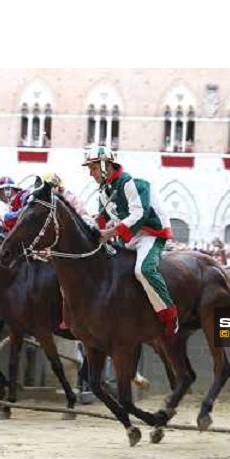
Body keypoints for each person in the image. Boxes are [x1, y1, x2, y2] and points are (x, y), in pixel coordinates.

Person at [84, 144, 178, 337]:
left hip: (150, 234)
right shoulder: (103, 190)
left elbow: (139, 214)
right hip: (127, 237)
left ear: (105, 166)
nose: (91, 174)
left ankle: (170, 316)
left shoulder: (130, 183)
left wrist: (108, 234)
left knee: (143, 270)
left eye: (93, 168)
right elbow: (101, 219)